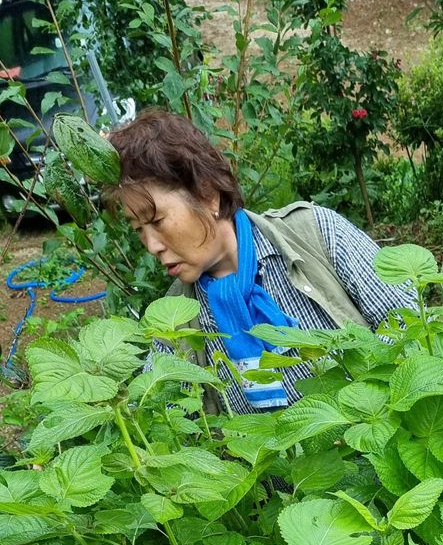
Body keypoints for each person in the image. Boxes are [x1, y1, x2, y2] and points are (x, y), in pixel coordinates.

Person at [105, 109, 417, 414]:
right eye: (139, 230)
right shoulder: (173, 321)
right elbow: (157, 416)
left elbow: (407, 320)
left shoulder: (315, 232)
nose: (152, 245)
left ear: (208, 195)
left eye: (156, 221)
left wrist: (360, 412)